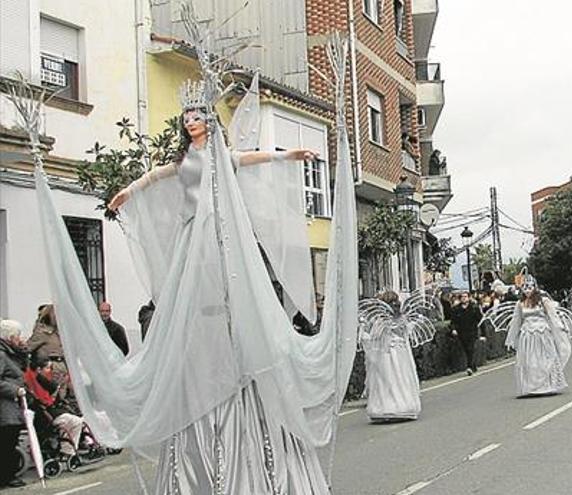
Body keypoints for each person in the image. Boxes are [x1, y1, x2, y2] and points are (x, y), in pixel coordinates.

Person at [26, 64, 359, 494]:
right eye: (186, 119)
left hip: (222, 237)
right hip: (192, 242)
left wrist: (290, 155)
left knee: (236, 304)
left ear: (209, 122)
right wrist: (128, 192)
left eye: (197, 117)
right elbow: (156, 176)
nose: (191, 123)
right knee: (189, 311)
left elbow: (254, 159)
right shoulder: (183, 162)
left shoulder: (222, 160)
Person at [360, 291, 428, 421]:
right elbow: (404, 332)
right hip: (395, 352)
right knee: (395, 378)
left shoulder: (379, 318)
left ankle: (389, 406)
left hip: (388, 353)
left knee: (387, 379)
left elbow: (372, 337)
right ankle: (397, 405)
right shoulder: (393, 317)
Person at [505, 275, 572, 397]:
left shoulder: (543, 301)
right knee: (530, 361)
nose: (527, 290)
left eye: (530, 287)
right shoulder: (520, 304)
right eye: (525, 287)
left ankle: (547, 385)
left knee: (545, 359)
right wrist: (511, 337)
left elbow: (553, 316)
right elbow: (516, 321)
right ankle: (531, 387)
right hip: (527, 336)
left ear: (535, 288)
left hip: (543, 334)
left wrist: (560, 326)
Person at [0, 319, 27, 488]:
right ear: (10, 337)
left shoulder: (11, 352)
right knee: (7, 442)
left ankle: (8, 474)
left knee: (11, 440)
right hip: (5, 406)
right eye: (18, 336)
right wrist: (14, 390)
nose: (20, 339)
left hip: (13, 405)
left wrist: (24, 350)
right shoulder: (2, 354)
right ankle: (7, 476)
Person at [449, 291, 485, 375]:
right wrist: (453, 329)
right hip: (462, 332)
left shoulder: (474, 308)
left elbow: (481, 321)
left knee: (471, 348)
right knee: (466, 350)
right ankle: (473, 366)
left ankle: (469, 367)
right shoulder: (456, 309)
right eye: (462, 297)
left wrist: (483, 334)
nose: (464, 298)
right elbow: (453, 321)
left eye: (465, 296)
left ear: (468, 297)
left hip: (472, 332)